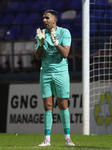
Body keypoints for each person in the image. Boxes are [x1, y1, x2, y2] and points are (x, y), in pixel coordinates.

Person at [34, 10, 75, 147]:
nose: (44, 20)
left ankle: (67, 138)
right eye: (43, 18)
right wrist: (40, 44)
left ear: (54, 20)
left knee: (63, 104)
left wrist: (56, 42)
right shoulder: (41, 34)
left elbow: (65, 54)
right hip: (45, 73)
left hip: (61, 72)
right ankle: (47, 139)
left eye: (47, 18)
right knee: (48, 106)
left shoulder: (65, 33)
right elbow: (37, 57)